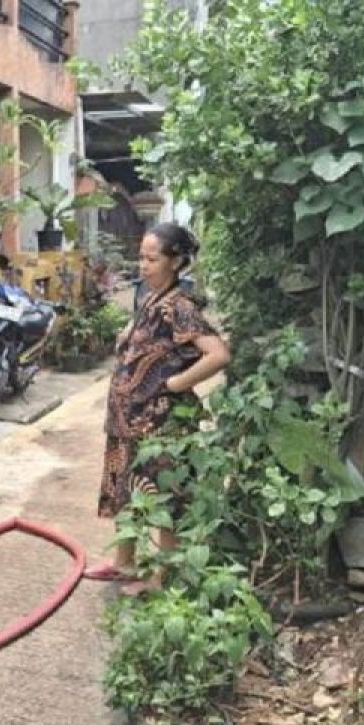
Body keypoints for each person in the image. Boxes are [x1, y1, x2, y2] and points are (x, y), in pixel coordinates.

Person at [85, 223, 230, 587]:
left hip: (157, 423)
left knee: (162, 496)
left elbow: (218, 354)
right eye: (141, 257)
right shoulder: (150, 298)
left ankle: (166, 578)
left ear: (176, 261)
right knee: (124, 490)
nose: (143, 265)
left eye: (152, 258)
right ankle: (125, 563)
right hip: (126, 420)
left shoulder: (179, 305)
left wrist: (175, 383)